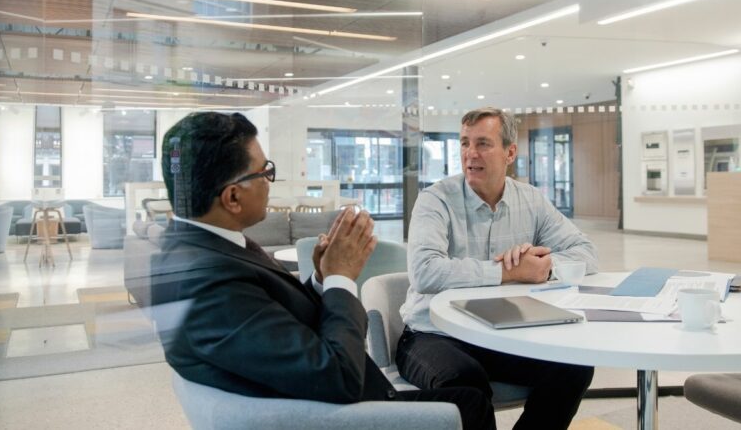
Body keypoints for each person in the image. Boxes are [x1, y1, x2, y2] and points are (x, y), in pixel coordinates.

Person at [149, 112, 494, 430]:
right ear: (233, 197)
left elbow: (273, 323)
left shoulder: (205, 249)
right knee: (471, 404)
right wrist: (342, 279)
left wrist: (321, 279)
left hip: (322, 400)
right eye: (265, 171)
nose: (271, 181)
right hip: (346, 414)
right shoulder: (209, 280)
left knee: (470, 396)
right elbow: (336, 375)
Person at [397, 107, 598, 430]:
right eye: (464, 143)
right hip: (433, 334)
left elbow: (586, 252)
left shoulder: (531, 200)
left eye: (483, 143)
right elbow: (426, 272)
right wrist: (509, 273)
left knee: (574, 365)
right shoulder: (435, 200)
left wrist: (544, 266)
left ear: (510, 152)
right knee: (467, 384)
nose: (470, 154)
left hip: (501, 335)